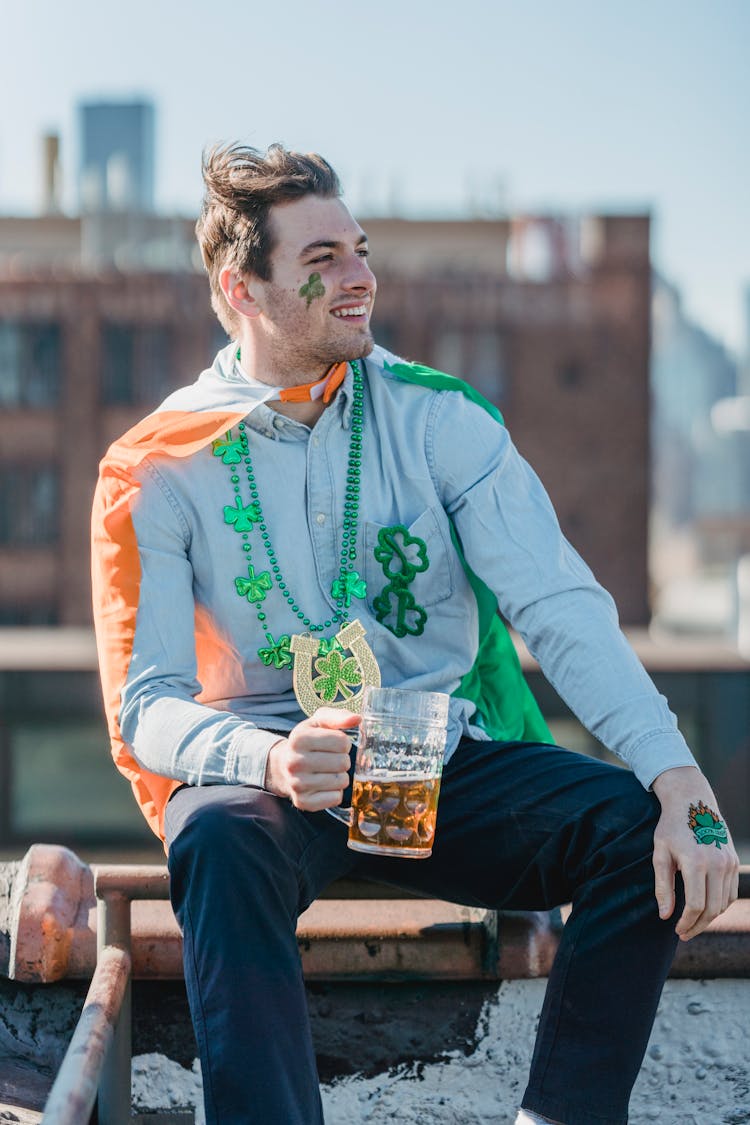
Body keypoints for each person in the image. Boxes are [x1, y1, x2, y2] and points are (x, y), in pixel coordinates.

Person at [91, 142, 739, 1125]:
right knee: (217, 837)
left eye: (360, 250)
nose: (361, 279)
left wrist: (676, 774)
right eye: (322, 261)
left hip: (426, 761)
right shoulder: (162, 464)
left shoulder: (442, 421)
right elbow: (147, 708)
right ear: (243, 287)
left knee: (629, 827)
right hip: (276, 772)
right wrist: (267, 760)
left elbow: (559, 607)